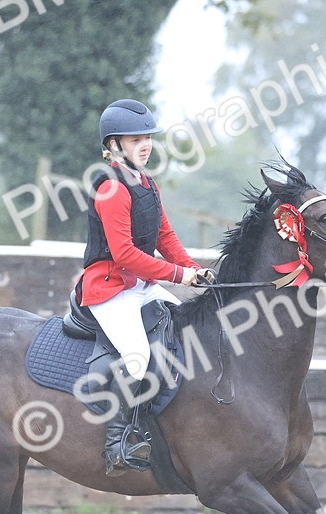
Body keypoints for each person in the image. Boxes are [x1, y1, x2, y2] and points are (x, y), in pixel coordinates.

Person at [77, 98, 206, 477]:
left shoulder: (147, 183)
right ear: (114, 145)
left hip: (141, 284)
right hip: (109, 287)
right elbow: (125, 254)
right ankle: (117, 443)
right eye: (135, 139)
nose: (145, 145)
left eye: (147, 137)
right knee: (136, 356)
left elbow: (165, 236)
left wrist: (194, 268)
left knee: (183, 324)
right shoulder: (111, 189)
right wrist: (178, 276)